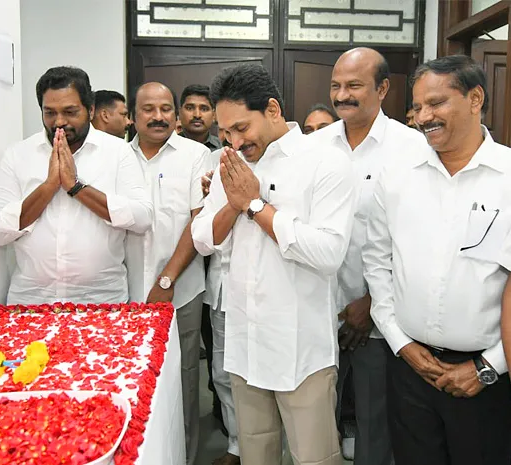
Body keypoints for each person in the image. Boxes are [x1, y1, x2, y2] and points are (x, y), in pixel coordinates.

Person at [193, 63, 355, 465]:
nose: (233, 140)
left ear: (272, 109)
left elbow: (328, 253)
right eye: (225, 132)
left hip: (302, 350)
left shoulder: (326, 162)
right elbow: (202, 238)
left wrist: (255, 205)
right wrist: (233, 204)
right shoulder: (231, 164)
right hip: (246, 343)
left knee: (314, 457)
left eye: (241, 128)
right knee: (256, 454)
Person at [363, 55, 511, 465]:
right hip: (411, 371)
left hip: (487, 379)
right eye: (417, 107)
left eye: (437, 103)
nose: (423, 117)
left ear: (475, 97)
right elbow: (377, 263)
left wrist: (488, 366)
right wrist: (400, 342)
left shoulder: (509, 179)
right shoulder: (397, 176)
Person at [310, 47, 426, 465]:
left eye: (354, 86)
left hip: (382, 316)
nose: (343, 95)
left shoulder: (413, 148)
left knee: (378, 425)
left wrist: (372, 303)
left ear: (383, 88)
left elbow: (417, 238)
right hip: (318, 309)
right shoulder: (314, 146)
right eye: (336, 86)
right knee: (317, 422)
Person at [0, 66, 153, 304]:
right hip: (31, 301)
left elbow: (143, 217)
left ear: (91, 109)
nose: (59, 121)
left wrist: (76, 187)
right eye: (50, 112)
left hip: (102, 300)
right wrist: (48, 188)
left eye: (70, 111)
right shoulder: (18, 155)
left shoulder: (118, 153)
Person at [126, 81, 210, 465]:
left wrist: (166, 281)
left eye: (165, 109)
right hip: (124, 296)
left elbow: (198, 223)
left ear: (176, 116)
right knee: (131, 388)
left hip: (182, 293)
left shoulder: (195, 156)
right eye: (148, 109)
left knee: (182, 383)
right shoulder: (117, 159)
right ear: (132, 115)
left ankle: (186, 459)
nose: (158, 116)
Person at [179, 83, 224, 434]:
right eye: (190, 107)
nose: (197, 114)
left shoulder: (226, 153)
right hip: (183, 268)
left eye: (204, 108)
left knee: (220, 353)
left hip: (218, 268)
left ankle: (225, 422)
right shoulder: (169, 152)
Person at [199, 148, 241, 465]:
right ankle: (236, 445)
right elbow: (203, 237)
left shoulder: (285, 161)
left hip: (262, 291)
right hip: (222, 287)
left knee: (262, 380)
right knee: (223, 375)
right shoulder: (214, 160)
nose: (234, 138)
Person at [180, 84, 222, 151]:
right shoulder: (166, 148)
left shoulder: (223, 150)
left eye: (204, 109)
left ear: (214, 115)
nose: (197, 115)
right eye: (189, 108)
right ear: (180, 112)